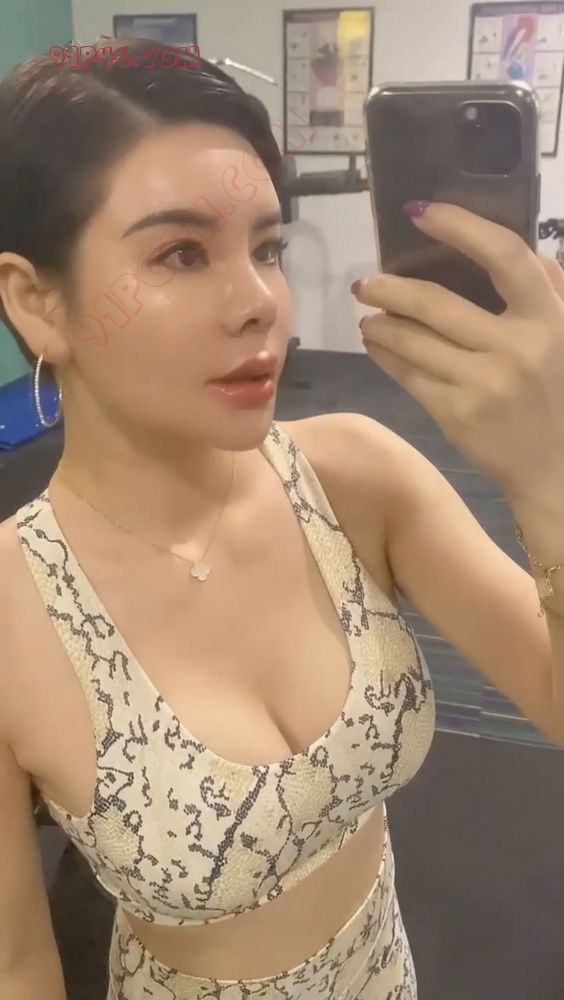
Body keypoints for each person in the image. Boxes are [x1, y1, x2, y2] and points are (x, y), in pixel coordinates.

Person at [0, 38, 562, 1000]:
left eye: (266, 248)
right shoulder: (15, 610)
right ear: (35, 301)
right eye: (181, 253)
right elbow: (18, 964)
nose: (261, 301)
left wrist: (548, 481)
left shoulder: (355, 476)